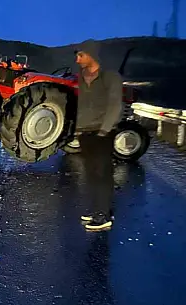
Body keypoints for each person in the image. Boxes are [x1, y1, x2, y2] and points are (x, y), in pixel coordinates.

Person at [74, 39, 123, 231]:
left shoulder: (110, 77)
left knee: (103, 174)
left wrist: (105, 130)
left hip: (102, 132)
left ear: (92, 54)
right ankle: (97, 210)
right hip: (85, 132)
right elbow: (82, 105)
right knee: (92, 174)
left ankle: (103, 216)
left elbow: (115, 105)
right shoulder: (81, 76)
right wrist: (78, 129)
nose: (77, 60)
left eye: (81, 55)